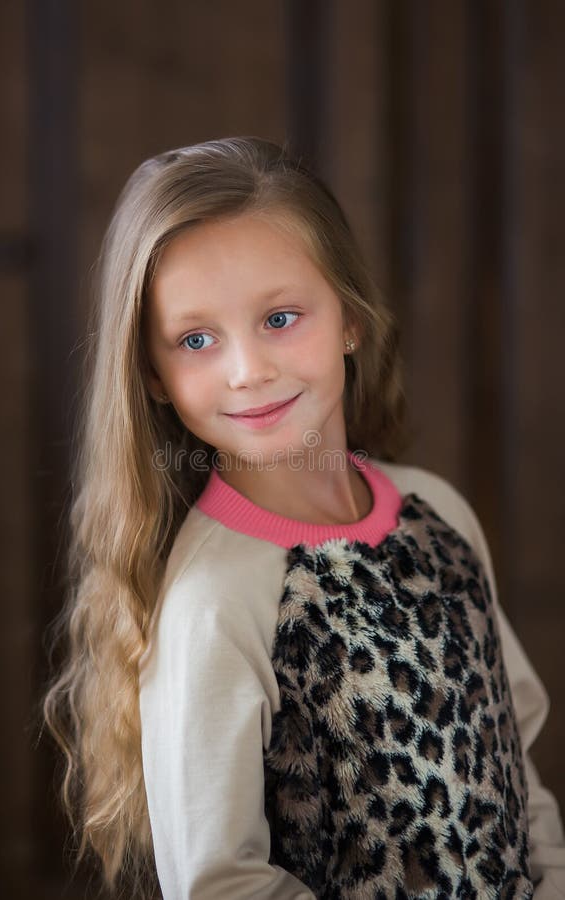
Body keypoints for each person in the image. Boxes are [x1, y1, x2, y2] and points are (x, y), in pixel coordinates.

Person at [41, 137, 565, 900]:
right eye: (196, 340)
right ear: (153, 376)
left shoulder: (439, 514)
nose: (247, 369)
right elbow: (223, 884)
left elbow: (518, 766)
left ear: (350, 318)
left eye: (281, 317)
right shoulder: (216, 602)